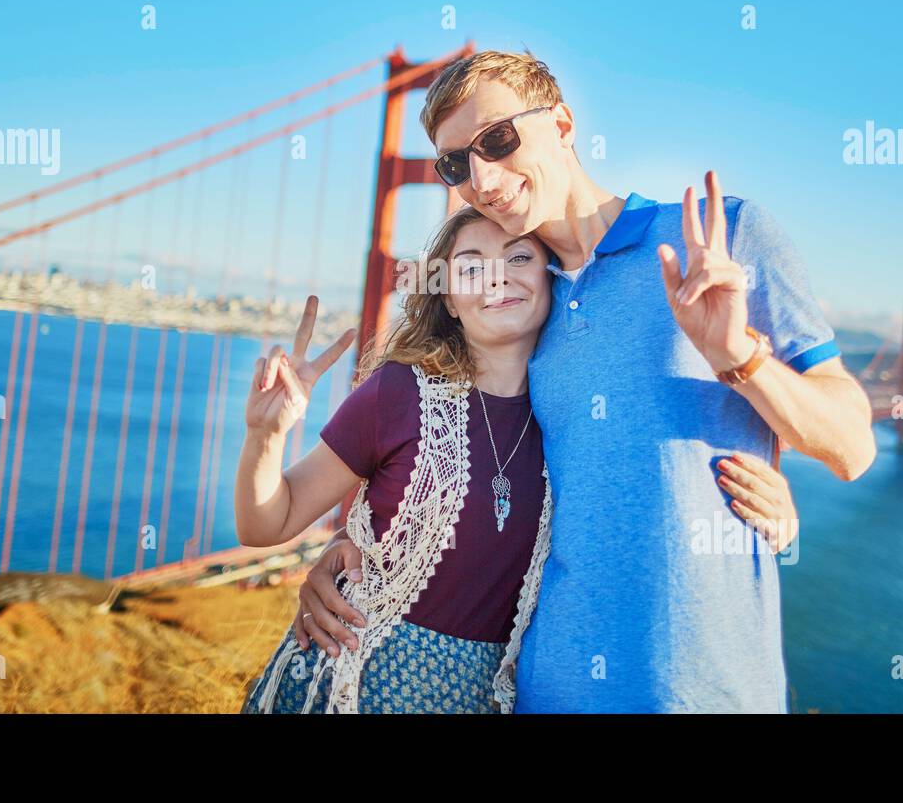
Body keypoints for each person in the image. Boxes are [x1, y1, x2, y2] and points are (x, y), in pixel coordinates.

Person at [289, 49, 876, 713]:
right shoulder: (518, 301)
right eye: (455, 164)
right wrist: (357, 547)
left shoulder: (723, 239)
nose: (481, 178)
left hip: (705, 692)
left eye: (498, 140)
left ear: (563, 125)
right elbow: (468, 456)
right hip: (547, 691)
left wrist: (743, 360)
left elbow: (852, 447)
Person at [238, 201, 803, 713]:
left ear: (550, 279)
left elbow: (653, 472)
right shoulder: (396, 392)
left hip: (484, 696)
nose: (496, 277)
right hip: (350, 679)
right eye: (470, 267)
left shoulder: (571, 415)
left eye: (518, 257)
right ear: (448, 300)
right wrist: (267, 436)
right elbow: (268, 523)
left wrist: (766, 510)